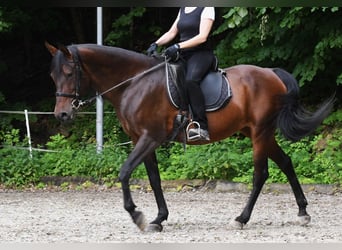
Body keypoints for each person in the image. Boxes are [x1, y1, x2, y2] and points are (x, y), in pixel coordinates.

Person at [146, 7, 215, 141]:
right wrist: (155, 43)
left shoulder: (207, 7)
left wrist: (178, 46)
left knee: (190, 80)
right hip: (184, 54)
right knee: (166, 76)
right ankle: (180, 115)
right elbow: (172, 32)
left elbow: (202, 37)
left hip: (201, 54)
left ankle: (202, 126)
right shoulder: (183, 9)